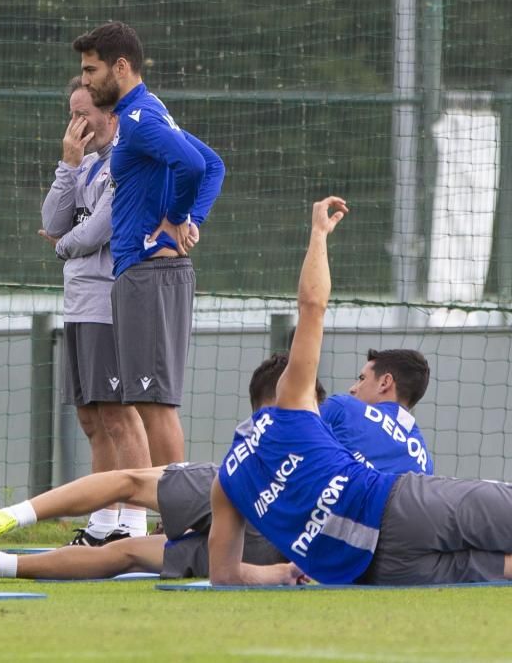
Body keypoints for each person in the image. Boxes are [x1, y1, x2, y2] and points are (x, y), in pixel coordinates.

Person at [210, 196, 512, 586]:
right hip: (398, 506)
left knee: (501, 570)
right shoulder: (295, 410)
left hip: (377, 570)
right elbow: (312, 306)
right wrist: (318, 234)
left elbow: (223, 576)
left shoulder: (226, 483)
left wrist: (283, 572)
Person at [0, 348, 434, 582]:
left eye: (362, 377)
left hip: (265, 492)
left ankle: (6, 519)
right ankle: (1, 565)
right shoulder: (421, 458)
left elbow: (287, 417)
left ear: (385, 384)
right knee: (131, 553)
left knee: (130, 481)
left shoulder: (347, 409)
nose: (354, 386)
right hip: (305, 547)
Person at [72, 22, 226, 465]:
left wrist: (179, 220)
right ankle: (170, 516)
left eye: (91, 69)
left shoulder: (139, 118)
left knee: (154, 406)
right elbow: (214, 164)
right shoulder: (143, 112)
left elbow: (197, 166)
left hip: (149, 272)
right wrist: (191, 220)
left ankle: (179, 520)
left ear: (120, 67)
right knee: (146, 403)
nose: (85, 80)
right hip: (138, 273)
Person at [40, 76, 151, 545]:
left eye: (83, 114)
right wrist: (67, 166)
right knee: (91, 418)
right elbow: (50, 218)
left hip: (110, 302)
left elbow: (95, 231)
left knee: (119, 414)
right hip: (78, 303)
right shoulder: (82, 167)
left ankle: (136, 522)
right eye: (72, 114)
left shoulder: (124, 165)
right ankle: (104, 521)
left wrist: (61, 246)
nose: (76, 125)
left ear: (111, 115)